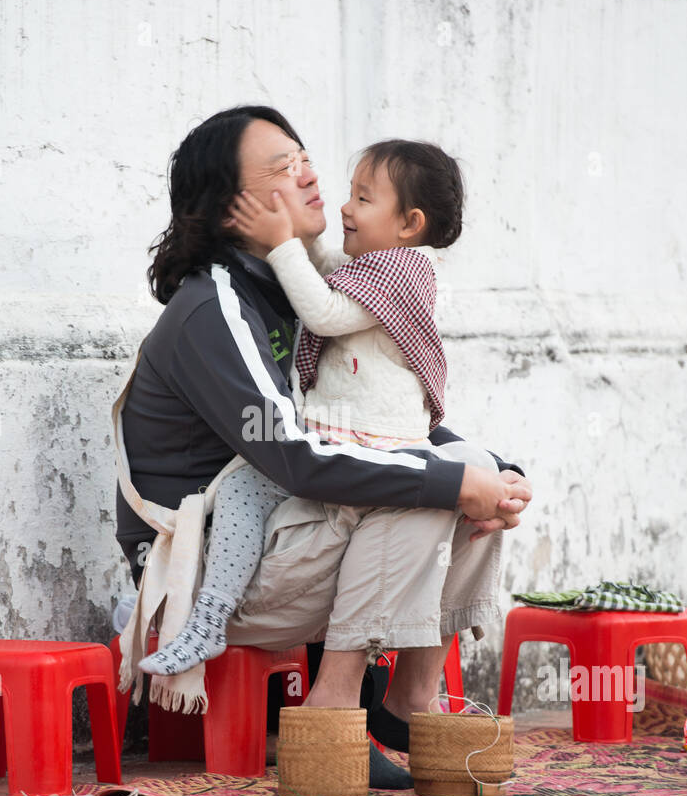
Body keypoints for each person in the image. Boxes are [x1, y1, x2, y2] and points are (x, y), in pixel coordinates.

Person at [114, 105, 532, 785]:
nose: (309, 177)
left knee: (468, 473)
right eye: (281, 168)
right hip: (216, 570)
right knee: (423, 491)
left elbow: (369, 418)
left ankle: (406, 700)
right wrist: (448, 484)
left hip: (288, 534)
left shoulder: (299, 286)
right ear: (232, 209)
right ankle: (333, 706)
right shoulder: (212, 308)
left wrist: (493, 475)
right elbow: (295, 458)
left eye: (303, 157)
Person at [139, 138, 472, 691]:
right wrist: (289, 242)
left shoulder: (401, 270)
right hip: (338, 449)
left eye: (362, 199)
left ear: (410, 223)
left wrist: (281, 246)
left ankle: (380, 695)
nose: (340, 204)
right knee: (451, 484)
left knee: (454, 482)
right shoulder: (219, 304)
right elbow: (324, 274)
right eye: (288, 170)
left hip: (358, 447)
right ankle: (221, 623)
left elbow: (322, 310)